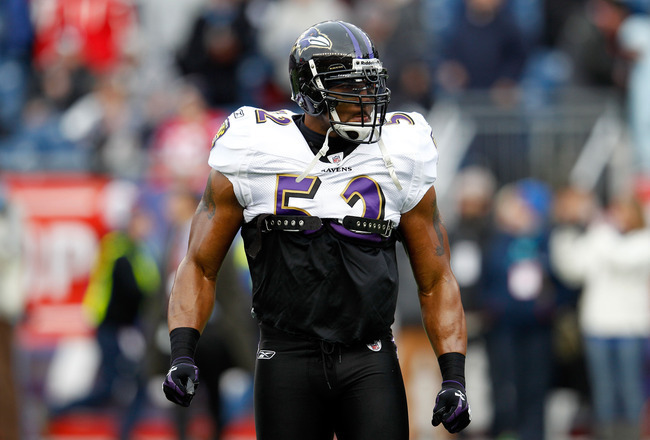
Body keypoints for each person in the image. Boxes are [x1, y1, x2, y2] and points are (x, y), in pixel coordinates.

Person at [162, 20, 471, 439]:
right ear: (310, 91)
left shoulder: (401, 152)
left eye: (370, 83)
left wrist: (453, 375)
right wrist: (182, 351)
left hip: (370, 358)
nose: (367, 98)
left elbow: (436, 279)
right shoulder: (254, 149)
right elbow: (199, 264)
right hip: (285, 357)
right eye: (351, 85)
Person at [550, 187, 650, 440]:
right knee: (603, 392)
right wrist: (565, 232)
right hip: (598, 328)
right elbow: (572, 269)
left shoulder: (642, 240)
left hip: (631, 329)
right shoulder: (601, 237)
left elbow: (623, 259)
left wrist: (597, 228)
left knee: (630, 391)